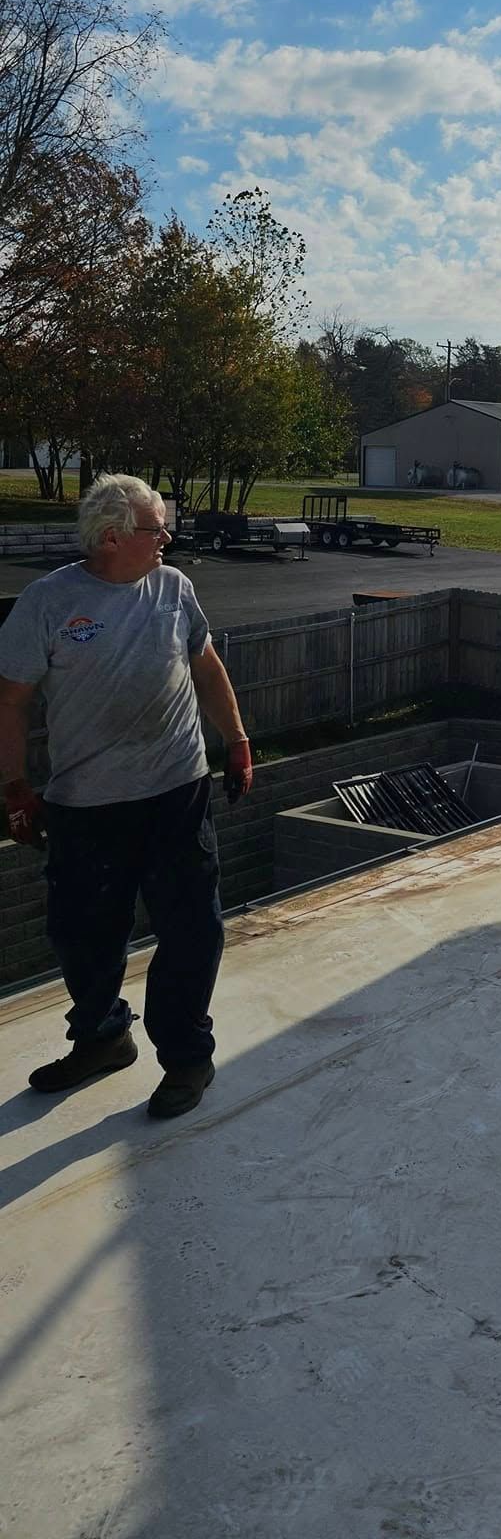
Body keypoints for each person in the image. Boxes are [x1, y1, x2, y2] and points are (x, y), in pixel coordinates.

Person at [0, 474, 253, 1118]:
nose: (166, 537)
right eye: (155, 527)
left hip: (177, 792)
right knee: (82, 935)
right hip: (86, 804)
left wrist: (237, 739)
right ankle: (103, 1039)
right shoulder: (48, 602)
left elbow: (205, 665)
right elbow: (11, 700)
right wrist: (15, 786)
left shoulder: (174, 587)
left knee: (191, 930)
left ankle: (188, 1058)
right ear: (112, 538)